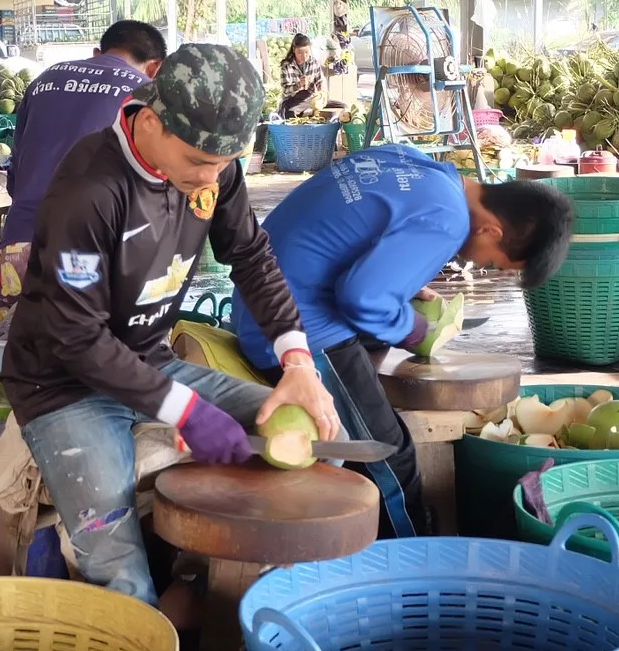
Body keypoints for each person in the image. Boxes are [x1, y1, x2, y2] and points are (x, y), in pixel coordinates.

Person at [0, 44, 340, 606]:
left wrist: (296, 361)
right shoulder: (90, 188)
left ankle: (201, 601)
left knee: (311, 438)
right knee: (119, 572)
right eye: (199, 163)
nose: (212, 177)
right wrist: (184, 410)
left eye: (225, 164)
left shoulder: (214, 169)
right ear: (151, 122)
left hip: (150, 361)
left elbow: (251, 257)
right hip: (60, 386)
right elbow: (77, 338)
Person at [231, 144, 573, 536]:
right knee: (390, 456)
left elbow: (357, 234)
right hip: (289, 330)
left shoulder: (420, 166)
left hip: (259, 302)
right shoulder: (448, 220)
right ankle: (413, 557)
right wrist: (415, 330)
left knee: (376, 392)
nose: (481, 265)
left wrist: (404, 282)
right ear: (491, 230)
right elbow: (363, 298)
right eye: (494, 261)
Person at [0, 20, 167, 338]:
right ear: (155, 67)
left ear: (98, 53)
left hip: (22, 243)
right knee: (111, 374)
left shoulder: (44, 80)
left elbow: (15, 174)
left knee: (15, 368)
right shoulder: (148, 94)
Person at [278, 33, 323, 118]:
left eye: (306, 52)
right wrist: (299, 85)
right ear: (294, 49)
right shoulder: (287, 66)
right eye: (300, 53)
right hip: (292, 101)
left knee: (322, 105)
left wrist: (318, 87)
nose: (304, 56)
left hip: (311, 98)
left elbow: (320, 81)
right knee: (290, 113)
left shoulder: (314, 63)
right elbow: (285, 90)